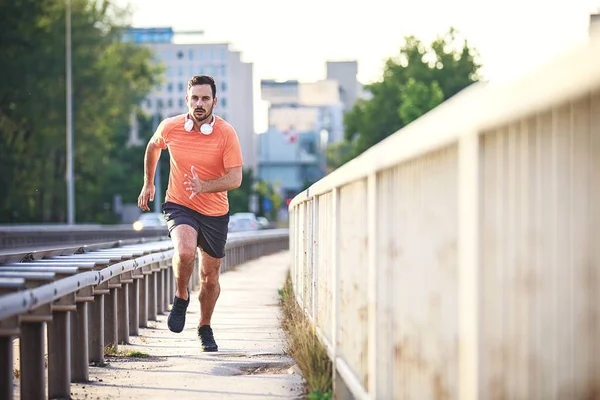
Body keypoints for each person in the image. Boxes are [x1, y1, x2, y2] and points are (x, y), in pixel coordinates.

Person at [137, 75, 243, 352]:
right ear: (187, 100)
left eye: (205, 98)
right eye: (194, 98)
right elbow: (153, 146)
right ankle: (181, 296)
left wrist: (204, 186)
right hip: (179, 204)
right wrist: (148, 182)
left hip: (215, 212)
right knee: (184, 251)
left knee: (210, 278)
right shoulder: (171, 127)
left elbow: (235, 178)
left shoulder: (226, 133)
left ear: (214, 102)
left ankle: (204, 327)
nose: (199, 103)